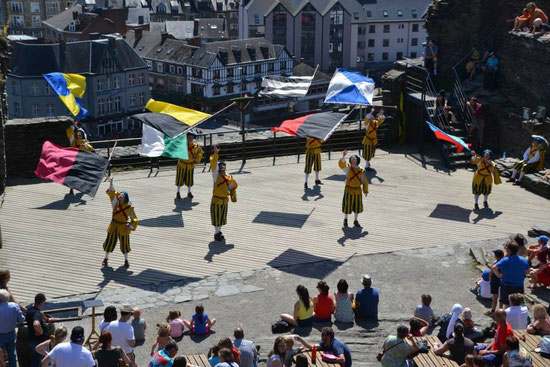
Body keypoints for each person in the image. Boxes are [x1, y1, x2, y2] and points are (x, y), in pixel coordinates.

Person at [102, 176, 138, 268]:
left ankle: (126, 260)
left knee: (125, 245)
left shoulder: (129, 208)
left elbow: (134, 219)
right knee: (109, 242)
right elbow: (112, 194)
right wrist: (111, 183)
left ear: (125, 198)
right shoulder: (115, 204)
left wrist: (130, 226)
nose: (120, 197)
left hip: (123, 227)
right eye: (120, 196)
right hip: (114, 225)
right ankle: (106, 259)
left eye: (122, 196)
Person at [209, 146, 238, 242]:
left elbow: (232, 188)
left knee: (222, 218)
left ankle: (219, 232)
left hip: (224, 200)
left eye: (223, 165)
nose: (222, 167)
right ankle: (216, 233)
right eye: (220, 166)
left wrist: (234, 195)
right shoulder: (216, 176)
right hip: (217, 199)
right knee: (216, 218)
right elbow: (213, 164)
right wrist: (216, 154)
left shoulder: (229, 177)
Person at [492, 242, 530, 308]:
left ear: (509, 250)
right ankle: (523, 314)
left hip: (507, 286)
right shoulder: (523, 260)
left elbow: (494, 268)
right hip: (519, 285)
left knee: (507, 304)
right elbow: (527, 272)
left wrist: (499, 275)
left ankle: (507, 316)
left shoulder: (505, 260)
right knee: (521, 303)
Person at [339, 151, 369, 228]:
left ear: (357, 160)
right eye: (352, 159)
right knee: (347, 206)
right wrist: (343, 156)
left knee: (357, 206)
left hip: (357, 190)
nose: (353, 160)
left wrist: (365, 190)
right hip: (348, 189)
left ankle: (355, 220)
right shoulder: (348, 168)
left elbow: (364, 181)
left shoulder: (361, 170)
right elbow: (341, 165)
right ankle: (345, 219)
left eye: (354, 159)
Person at [28, 293, 59, 367]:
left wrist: (47, 318)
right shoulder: (37, 313)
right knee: (37, 361)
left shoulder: (30, 310)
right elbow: (36, 324)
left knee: (36, 359)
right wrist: (41, 332)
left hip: (31, 339)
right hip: (38, 341)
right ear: (42, 302)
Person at [0, 289, 25, 367]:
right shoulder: (14, 306)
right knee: (12, 354)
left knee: (0, 355)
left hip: (0, 335)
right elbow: (21, 319)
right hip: (11, 333)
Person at [175, 131, 204, 199]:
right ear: (187, 137)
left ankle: (189, 192)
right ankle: (178, 192)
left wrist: (197, 159)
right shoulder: (182, 145)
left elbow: (200, 152)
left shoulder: (195, 146)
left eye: (192, 137)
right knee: (180, 179)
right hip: (182, 164)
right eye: (189, 137)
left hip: (190, 165)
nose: (190, 139)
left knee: (189, 179)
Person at [486, 249, 505, 315]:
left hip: (495, 281)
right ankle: (500, 309)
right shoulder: (504, 263)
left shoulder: (495, 264)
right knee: (501, 297)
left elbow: (490, 274)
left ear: (496, 257)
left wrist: (490, 280)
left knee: (495, 298)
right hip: (502, 282)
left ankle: (493, 310)